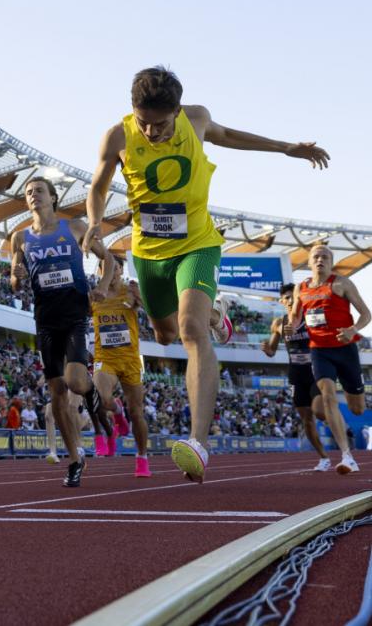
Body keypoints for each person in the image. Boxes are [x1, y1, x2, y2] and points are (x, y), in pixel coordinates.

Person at [83, 66, 329, 483]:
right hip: (149, 252)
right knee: (164, 336)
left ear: (176, 112)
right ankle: (218, 315)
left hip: (196, 243)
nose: (152, 131)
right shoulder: (119, 136)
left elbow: (230, 136)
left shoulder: (195, 119)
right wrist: (93, 222)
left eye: (160, 124)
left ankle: (198, 443)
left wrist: (286, 147)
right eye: (144, 121)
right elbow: (98, 187)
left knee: (190, 330)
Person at [11, 177, 114, 487]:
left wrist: (103, 286)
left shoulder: (75, 227)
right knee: (56, 392)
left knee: (75, 381)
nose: (33, 196)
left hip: (74, 315)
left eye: (39, 191)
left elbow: (108, 260)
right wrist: (15, 278)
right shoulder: (20, 238)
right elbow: (15, 279)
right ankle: (74, 459)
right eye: (28, 192)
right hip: (45, 319)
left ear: (53, 198)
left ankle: (92, 393)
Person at [290, 244, 370, 474]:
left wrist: (352, 329)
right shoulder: (301, 288)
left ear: (331, 262)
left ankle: (352, 400)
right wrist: (291, 325)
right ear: (309, 262)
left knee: (357, 408)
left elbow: (367, 314)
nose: (320, 260)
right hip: (320, 350)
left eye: (325, 256)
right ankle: (347, 456)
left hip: (345, 349)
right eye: (316, 256)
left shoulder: (341, 283)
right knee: (327, 395)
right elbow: (296, 316)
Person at [90, 259, 151, 476]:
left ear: (121, 270)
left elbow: (152, 314)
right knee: (98, 399)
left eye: (115, 268)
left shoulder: (130, 290)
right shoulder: (95, 295)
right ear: (100, 271)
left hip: (131, 359)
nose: (111, 272)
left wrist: (140, 298)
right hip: (105, 358)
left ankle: (142, 457)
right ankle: (116, 411)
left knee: (136, 412)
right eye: (106, 268)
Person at [262, 283, 331, 471]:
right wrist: (266, 349)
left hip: (316, 371)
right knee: (307, 420)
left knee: (319, 412)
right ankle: (324, 458)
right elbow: (272, 350)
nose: (290, 299)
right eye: (286, 297)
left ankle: (335, 419)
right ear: (281, 301)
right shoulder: (278, 324)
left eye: (293, 295)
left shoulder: (311, 317)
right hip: (296, 376)